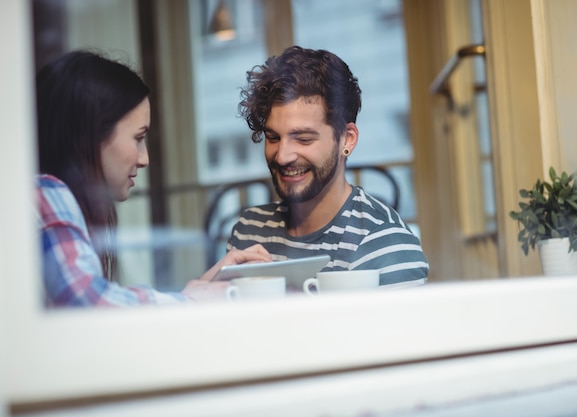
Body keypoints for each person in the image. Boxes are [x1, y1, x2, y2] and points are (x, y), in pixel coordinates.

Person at [36, 50, 271, 307]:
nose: (144, 158)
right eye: (138, 138)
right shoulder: (47, 193)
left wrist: (204, 287)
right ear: (90, 135)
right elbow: (88, 302)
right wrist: (188, 300)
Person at [228, 46, 429, 286]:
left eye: (303, 139)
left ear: (347, 138)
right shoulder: (251, 229)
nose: (282, 157)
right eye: (273, 138)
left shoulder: (385, 243)